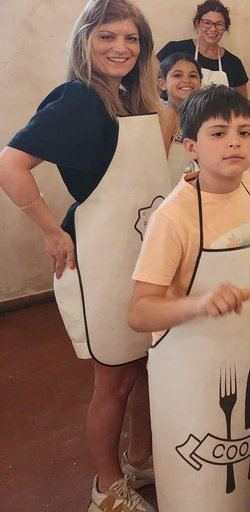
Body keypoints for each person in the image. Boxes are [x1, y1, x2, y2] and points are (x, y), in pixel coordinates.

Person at [0, 0, 170, 511]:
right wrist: (53, 233)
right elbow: (10, 166)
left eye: (131, 39)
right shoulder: (78, 99)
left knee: (144, 366)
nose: (121, 48)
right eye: (107, 37)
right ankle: (106, 486)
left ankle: (141, 459)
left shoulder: (132, 100)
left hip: (143, 255)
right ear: (84, 42)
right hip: (103, 259)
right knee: (114, 378)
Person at [128, 85, 250, 512]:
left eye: (245, 132)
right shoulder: (174, 217)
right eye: (219, 133)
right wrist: (199, 302)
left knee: (242, 464)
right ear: (190, 147)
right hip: (188, 365)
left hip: (237, 348)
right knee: (198, 477)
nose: (235, 141)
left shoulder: (246, 185)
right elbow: (139, 312)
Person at [157, 0, 248, 96]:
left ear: (225, 28)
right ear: (198, 24)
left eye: (219, 24)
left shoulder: (233, 63)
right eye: (207, 23)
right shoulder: (174, 49)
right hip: (173, 111)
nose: (213, 29)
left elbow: (241, 105)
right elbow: (149, 81)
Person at [158, 53, 202, 184]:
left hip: (186, 186)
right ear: (162, 84)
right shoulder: (168, 111)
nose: (187, 80)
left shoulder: (193, 113)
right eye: (178, 75)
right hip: (167, 190)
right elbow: (160, 159)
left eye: (193, 76)